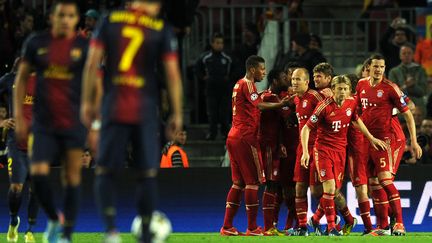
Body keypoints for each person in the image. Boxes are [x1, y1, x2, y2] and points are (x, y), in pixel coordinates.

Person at [81, 0, 183, 242]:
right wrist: (177, 112)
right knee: (146, 174)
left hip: (113, 108)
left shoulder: (109, 20)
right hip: (145, 111)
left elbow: (91, 63)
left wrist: (87, 104)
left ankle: (111, 232)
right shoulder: (160, 28)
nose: (158, 7)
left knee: (105, 172)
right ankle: (146, 232)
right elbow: (172, 73)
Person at [14, 1, 88, 242]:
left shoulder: (84, 47)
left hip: (73, 122)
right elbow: (21, 78)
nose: (65, 19)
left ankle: (65, 234)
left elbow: (94, 83)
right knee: (37, 175)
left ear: (77, 20)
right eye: (61, 15)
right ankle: (54, 220)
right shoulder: (36, 43)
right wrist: (18, 116)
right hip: (44, 124)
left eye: (70, 16)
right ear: (52, 18)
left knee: (72, 178)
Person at [300, 75, 387, 236]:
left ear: (349, 91)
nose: (342, 91)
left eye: (345, 89)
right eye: (339, 88)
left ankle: (316, 219)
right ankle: (332, 227)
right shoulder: (323, 106)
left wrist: (371, 138)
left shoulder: (351, 103)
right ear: (333, 90)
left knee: (333, 190)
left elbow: (356, 120)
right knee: (330, 187)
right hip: (323, 150)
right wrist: (306, 152)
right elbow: (306, 128)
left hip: (340, 151)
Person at [220, 55, 290, 236]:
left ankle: (227, 226)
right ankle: (252, 227)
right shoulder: (248, 84)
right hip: (246, 137)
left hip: (233, 136)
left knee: (238, 183)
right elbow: (259, 105)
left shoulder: (237, 84)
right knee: (253, 182)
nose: (264, 72)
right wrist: (281, 104)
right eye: (262, 69)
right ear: (252, 69)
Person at [356, 54, 422, 236]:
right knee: (374, 184)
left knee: (385, 180)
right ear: (368, 68)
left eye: (381, 67)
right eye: (375, 66)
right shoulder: (361, 85)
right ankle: (384, 226)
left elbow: (410, 111)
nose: (378, 70)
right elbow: (357, 114)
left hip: (387, 140)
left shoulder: (391, 88)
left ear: (385, 68)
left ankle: (399, 223)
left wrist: (414, 141)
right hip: (368, 140)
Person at [0, 58, 39, 243]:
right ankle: (13, 220)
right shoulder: (10, 80)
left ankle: (30, 230)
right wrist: (1, 122)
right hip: (16, 143)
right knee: (16, 188)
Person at [290, 67, 324, 236]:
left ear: (306, 81)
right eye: (293, 79)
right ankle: (303, 227)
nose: (294, 82)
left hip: (317, 148)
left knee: (318, 191)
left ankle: (329, 218)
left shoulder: (315, 97)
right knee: (299, 187)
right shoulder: (296, 99)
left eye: (298, 79)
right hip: (302, 149)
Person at [258, 68, 287, 235]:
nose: (287, 79)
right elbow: (260, 107)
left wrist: (281, 142)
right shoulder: (269, 97)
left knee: (274, 185)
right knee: (271, 183)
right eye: (283, 76)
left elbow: (280, 123)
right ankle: (268, 227)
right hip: (267, 146)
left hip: (274, 145)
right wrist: (286, 104)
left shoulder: (274, 97)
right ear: (275, 80)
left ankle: (271, 226)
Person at [195, 32, 232, 140]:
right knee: (212, 114)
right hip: (210, 90)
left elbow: (236, 69)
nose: (220, 45)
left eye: (221, 43)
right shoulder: (205, 57)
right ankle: (212, 134)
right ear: (212, 43)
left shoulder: (228, 58)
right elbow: (197, 69)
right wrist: (203, 77)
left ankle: (226, 134)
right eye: (217, 43)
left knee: (224, 113)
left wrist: (229, 78)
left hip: (224, 90)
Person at [389, 44, 428, 114]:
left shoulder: (421, 70)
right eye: (404, 53)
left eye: (409, 53)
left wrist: (413, 86)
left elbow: (423, 91)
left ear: (413, 55)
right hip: (401, 110)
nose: (407, 55)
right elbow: (393, 93)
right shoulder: (393, 72)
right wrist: (406, 86)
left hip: (419, 110)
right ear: (400, 56)